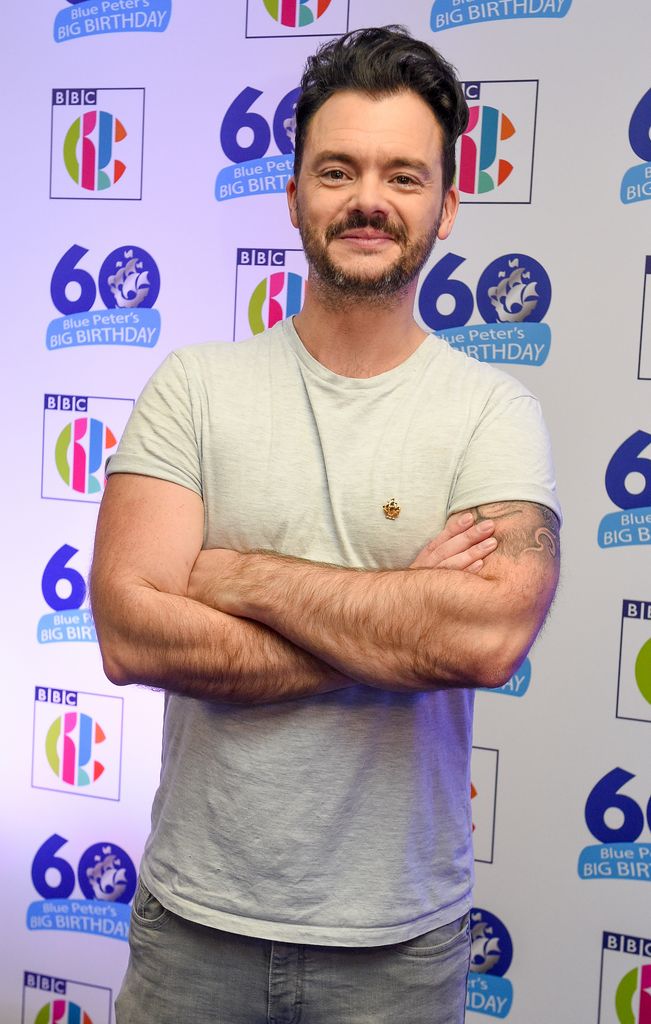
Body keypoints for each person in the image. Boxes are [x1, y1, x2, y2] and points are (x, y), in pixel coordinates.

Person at [91, 25, 561, 1024]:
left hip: (398, 945)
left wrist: (241, 578)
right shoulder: (195, 388)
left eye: (403, 174)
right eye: (338, 169)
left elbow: (483, 634)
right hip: (195, 926)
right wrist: (397, 626)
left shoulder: (493, 414)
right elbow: (131, 633)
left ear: (447, 203)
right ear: (296, 192)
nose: (368, 201)